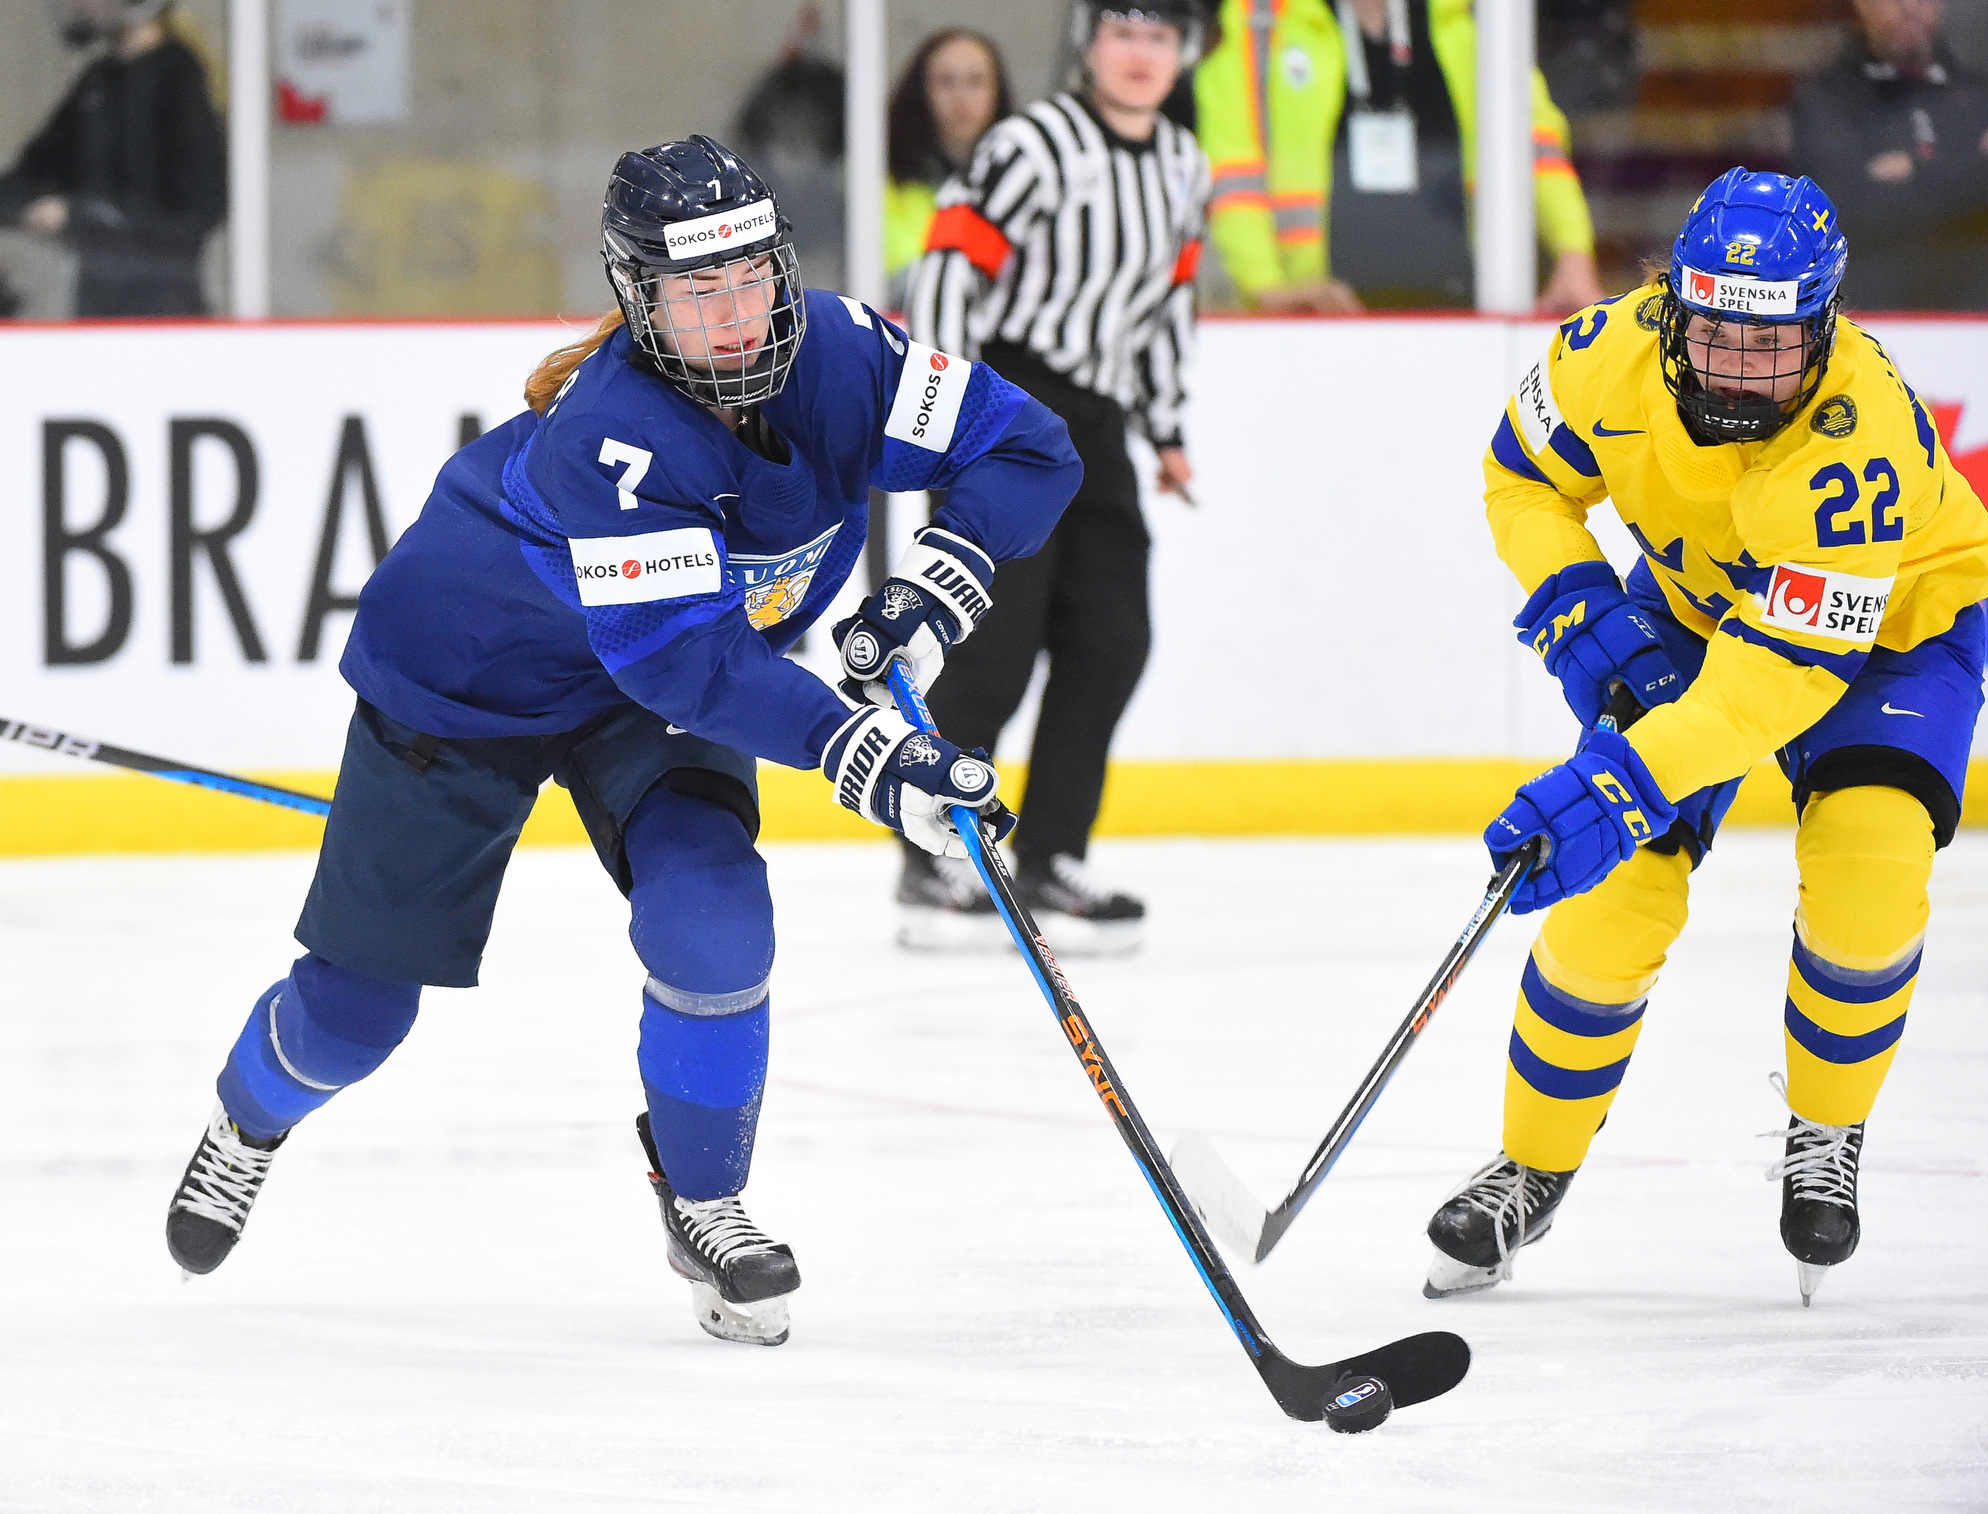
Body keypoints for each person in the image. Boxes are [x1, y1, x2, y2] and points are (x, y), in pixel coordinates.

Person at [160, 137, 1082, 1348]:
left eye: (751, 277)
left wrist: (937, 588)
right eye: (697, 293)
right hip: (467, 679)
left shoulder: (849, 352)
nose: (736, 315)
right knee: (353, 1018)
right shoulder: (612, 434)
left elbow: (1030, 447)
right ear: (637, 299)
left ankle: (703, 1201)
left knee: (714, 920)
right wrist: (868, 758)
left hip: (640, 690)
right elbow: (686, 664)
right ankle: (246, 1120)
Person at [1422, 169, 1988, 1306]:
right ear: (1672, 303)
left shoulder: (1855, 448)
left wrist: (1620, 779)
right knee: (1611, 898)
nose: (1735, 359)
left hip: (1893, 630)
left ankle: (1825, 1129)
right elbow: (1519, 478)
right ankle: (1529, 1160)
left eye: (1767, 338)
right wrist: (1577, 599)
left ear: (1822, 321)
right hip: (1696, 612)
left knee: (1867, 875)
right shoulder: (1603, 354)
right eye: (1713, 328)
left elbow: (1768, 691)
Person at [900, 1, 1210, 956]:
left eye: (1161, 37)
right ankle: (932, 851)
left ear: (1185, 52)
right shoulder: (1032, 145)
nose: (1141, 55)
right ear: (1089, 46)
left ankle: (1048, 857)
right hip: (1004, 404)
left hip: (1101, 421)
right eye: (1123, 33)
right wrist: (947, 411)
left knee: (1114, 637)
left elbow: (1167, 303)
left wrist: (1164, 426)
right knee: (996, 642)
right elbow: (949, 267)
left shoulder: (1185, 166)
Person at [1193, 0, 1602, 315]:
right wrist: (1267, 290)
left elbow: (1533, 143)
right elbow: (1233, 173)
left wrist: (1574, 254)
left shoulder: (1471, 16)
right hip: (1319, 316)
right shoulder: (1260, 19)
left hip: (1466, 312)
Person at [0, 0, 225, 317]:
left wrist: (79, 215)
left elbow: (198, 211)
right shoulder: (101, 81)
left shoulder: (178, 77)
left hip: (163, 310)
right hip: (99, 306)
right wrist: (27, 205)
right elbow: (34, 170)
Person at [1791, 0, 1988, 310]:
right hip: (1874, 315)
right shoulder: (1825, 98)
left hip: (1981, 319)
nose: (1909, 7)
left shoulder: (1983, 94)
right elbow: (1845, 209)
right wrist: (1975, 166)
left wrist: (1912, 169)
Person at [884, 30, 1014, 311]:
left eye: (975, 81)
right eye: (946, 82)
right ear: (921, 91)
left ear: (997, 91)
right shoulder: (879, 177)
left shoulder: (1023, 179)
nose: (961, 97)